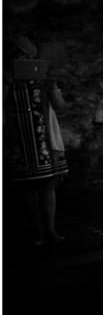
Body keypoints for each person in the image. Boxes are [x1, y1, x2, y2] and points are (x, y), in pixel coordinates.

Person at [4, 32, 68, 246]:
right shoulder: (6, 83)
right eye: (16, 58)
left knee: (47, 185)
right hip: (19, 143)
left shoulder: (42, 82)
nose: (20, 62)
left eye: (24, 58)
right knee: (27, 188)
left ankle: (50, 229)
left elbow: (60, 106)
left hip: (43, 142)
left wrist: (52, 87)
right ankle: (36, 231)